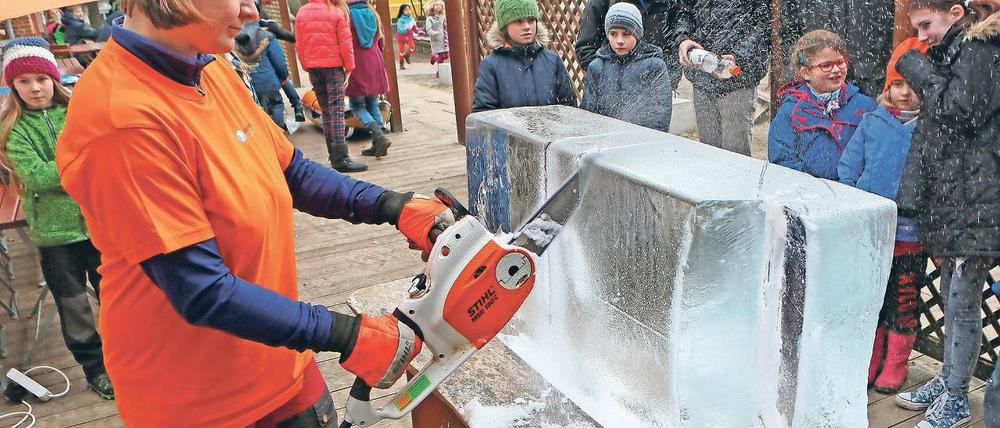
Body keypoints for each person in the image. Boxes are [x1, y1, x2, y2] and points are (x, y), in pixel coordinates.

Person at [54, 0, 455, 426]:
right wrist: (345, 334)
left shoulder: (207, 66)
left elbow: (291, 171)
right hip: (200, 400)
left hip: (280, 351)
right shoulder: (122, 121)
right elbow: (201, 290)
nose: (250, 10)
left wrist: (391, 206)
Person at [890, 1, 998, 426]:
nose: (922, 35)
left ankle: (956, 396)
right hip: (957, 193)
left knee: (963, 302)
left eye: (927, 25)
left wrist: (914, 67)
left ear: (955, 13)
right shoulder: (955, 50)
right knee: (954, 297)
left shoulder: (981, 50)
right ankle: (950, 379)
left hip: (979, 193)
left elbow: (959, 110)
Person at [0, 37, 114, 400]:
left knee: (116, 298)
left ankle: (129, 356)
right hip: (55, 236)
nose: (34, 88)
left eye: (41, 79)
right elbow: (36, 176)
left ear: (55, 79)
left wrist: (79, 165)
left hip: (101, 226)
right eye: (24, 81)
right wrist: (83, 164)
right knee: (74, 307)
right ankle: (95, 368)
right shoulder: (14, 130)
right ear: (12, 86)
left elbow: (105, 151)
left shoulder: (78, 111)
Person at [837, 37, 929, 395]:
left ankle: (896, 362)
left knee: (903, 300)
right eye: (897, 85)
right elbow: (849, 166)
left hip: (910, 235)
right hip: (872, 232)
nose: (905, 93)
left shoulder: (929, 129)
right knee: (871, 298)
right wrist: (857, 200)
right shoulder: (873, 121)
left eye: (913, 86)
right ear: (888, 86)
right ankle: (871, 357)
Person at [768, 29, 878, 180]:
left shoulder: (865, 106)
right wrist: (815, 187)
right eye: (826, 65)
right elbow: (782, 161)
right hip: (809, 195)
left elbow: (876, 155)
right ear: (806, 72)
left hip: (856, 193)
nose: (836, 70)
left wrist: (853, 184)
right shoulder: (790, 112)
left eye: (840, 62)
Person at [675, 0, 770, 156]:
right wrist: (683, 38)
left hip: (737, 81)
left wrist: (739, 56)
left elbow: (763, 24)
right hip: (702, 76)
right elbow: (684, 11)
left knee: (736, 151)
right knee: (708, 150)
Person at [295, 0, 367, 171]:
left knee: (326, 110)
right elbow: (345, 43)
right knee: (336, 110)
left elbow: (300, 44)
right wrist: (349, 68)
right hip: (333, 67)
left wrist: (306, 65)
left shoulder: (302, 13)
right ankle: (341, 158)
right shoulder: (336, 11)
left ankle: (333, 155)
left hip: (313, 67)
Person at [471, 0, 577, 112]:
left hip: (550, 129)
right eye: (518, 21)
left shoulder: (552, 61)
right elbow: (484, 115)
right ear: (504, 26)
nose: (526, 27)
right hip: (508, 130)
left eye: (531, 20)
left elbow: (569, 107)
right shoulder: (491, 66)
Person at [580, 3, 672, 132]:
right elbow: (588, 111)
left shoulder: (654, 66)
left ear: (637, 34)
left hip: (641, 141)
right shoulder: (597, 67)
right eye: (613, 34)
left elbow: (660, 113)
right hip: (604, 140)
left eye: (626, 34)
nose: (620, 40)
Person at [778, 0, 896, 98]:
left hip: (869, 82)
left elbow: (892, 29)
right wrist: (797, 79)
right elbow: (789, 37)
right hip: (815, 87)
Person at [574, 0, 682, 95]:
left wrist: (667, 81)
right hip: (610, 94)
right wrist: (609, 80)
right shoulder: (604, 2)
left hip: (655, 90)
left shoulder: (669, 3)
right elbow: (585, 48)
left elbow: (676, 42)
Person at [346, 0, 393, 158]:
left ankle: (378, 136)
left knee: (357, 105)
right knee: (372, 102)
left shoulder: (346, 14)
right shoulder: (373, 12)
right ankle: (378, 141)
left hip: (356, 63)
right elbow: (382, 41)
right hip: (374, 60)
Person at [235, 21, 292, 130]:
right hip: (269, 80)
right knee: (277, 103)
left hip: (252, 81)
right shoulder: (265, 36)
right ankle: (279, 129)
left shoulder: (234, 36)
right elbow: (278, 61)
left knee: (260, 107)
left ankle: (267, 131)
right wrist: (284, 76)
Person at [395, 4, 421, 70]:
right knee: (401, 51)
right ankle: (401, 64)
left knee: (412, 47)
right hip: (400, 37)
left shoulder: (411, 18)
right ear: (402, 11)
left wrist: (418, 31)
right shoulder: (400, 20)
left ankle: (407, 55)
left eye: (409, 9)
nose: (408, 11)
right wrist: (406, 29)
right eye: (406, 10)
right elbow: (399, 29)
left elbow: (415, 27)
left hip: (409, 36)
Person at [425, 0, 449, 65]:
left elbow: (446, 25)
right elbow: (428, 29)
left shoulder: (443, 16)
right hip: (436, 39)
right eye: (436, 5)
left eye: (440, 5)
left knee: (445, 55)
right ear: (432, 6)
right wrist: (433, 32)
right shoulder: (430, 18)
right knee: (439, 56)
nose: (438, 6)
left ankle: (435, 59)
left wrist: (446, 25)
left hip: (444, 39)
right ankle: (439, 70)